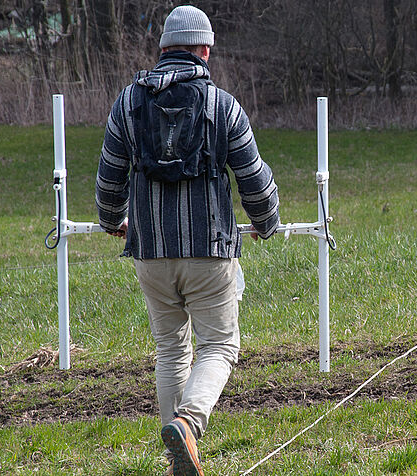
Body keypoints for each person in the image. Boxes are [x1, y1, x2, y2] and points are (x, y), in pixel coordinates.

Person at [95, 5, 279, 475]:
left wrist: (113, 219)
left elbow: (108, 177)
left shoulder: (127, 103)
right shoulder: (223, 105)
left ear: (162, 50)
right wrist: (267, 221)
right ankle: (189, 425)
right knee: (220, 347)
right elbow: (253, 179)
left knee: (171, 348)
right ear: (205, 49)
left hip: (150, 252)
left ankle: (178, 455)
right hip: (208, 251)